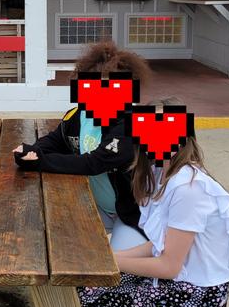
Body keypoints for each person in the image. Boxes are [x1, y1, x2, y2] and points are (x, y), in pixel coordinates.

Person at [75, 98, 229, 307]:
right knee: (87, 288)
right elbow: (159, 244)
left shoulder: (188, 188)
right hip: (181, 284)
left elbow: (169, 266)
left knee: (96, 303)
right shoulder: (162, 173)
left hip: (198, 299)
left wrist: (108, 264)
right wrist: (108, 259)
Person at [13, 41, 151, 250]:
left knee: (119, 263)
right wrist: (31, 151)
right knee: (48, 236)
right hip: (95, 204)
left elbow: (93, 163)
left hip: (133, 213)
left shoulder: (131, 125)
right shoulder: (80, 115)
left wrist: (40, 161)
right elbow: (56, 140)